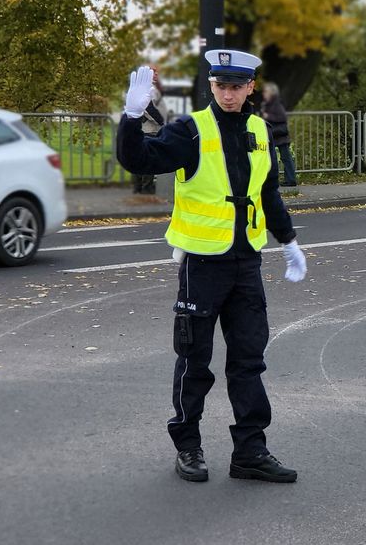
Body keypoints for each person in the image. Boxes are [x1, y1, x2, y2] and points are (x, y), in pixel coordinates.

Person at [115, 49, 308, 484]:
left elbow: (269, 193)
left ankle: (250, 452)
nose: (228, 93)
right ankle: (188, 447)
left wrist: (290, 242)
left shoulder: (259, 130)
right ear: (213, 87)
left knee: (248, 361)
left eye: (237, 86)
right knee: (194, 361)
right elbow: (138, 159)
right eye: (221, 85)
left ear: (250, 88)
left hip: (246, 264)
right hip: (202, 265)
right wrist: (130, 117)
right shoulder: (190, 130)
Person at [131, 68, 168, 195]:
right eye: (154, 73)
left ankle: (138, 187)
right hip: (150, 128)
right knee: (149, 158)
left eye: (157, 73)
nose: (157, 75)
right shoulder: (149, 89)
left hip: (144, 127)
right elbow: (148, 107)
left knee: (139, 157)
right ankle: (146, 187)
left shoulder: (142, 88)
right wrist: (162, 121)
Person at [260, 82, 297, 187]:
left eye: (266, 91)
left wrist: (268, 116)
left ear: (272, 92)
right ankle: (285, 179)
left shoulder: (276, 103)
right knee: (275, 158)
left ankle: (291, 179)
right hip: (275, 135)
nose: (264, 94)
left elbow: (282, 118)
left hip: (280, 135)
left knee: (285, 158)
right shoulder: (268, 103)